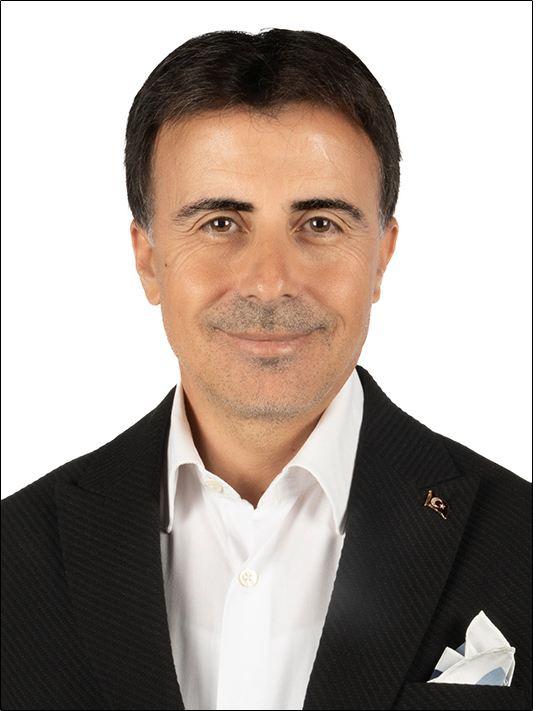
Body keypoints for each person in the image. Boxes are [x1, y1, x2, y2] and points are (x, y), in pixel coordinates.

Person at [1, 28, 530, 711]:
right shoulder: (15, 557)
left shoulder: (523, 541)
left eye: (320, 223)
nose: (270, 282)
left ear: (381, 256)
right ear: (148, 259)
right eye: (221, 223)